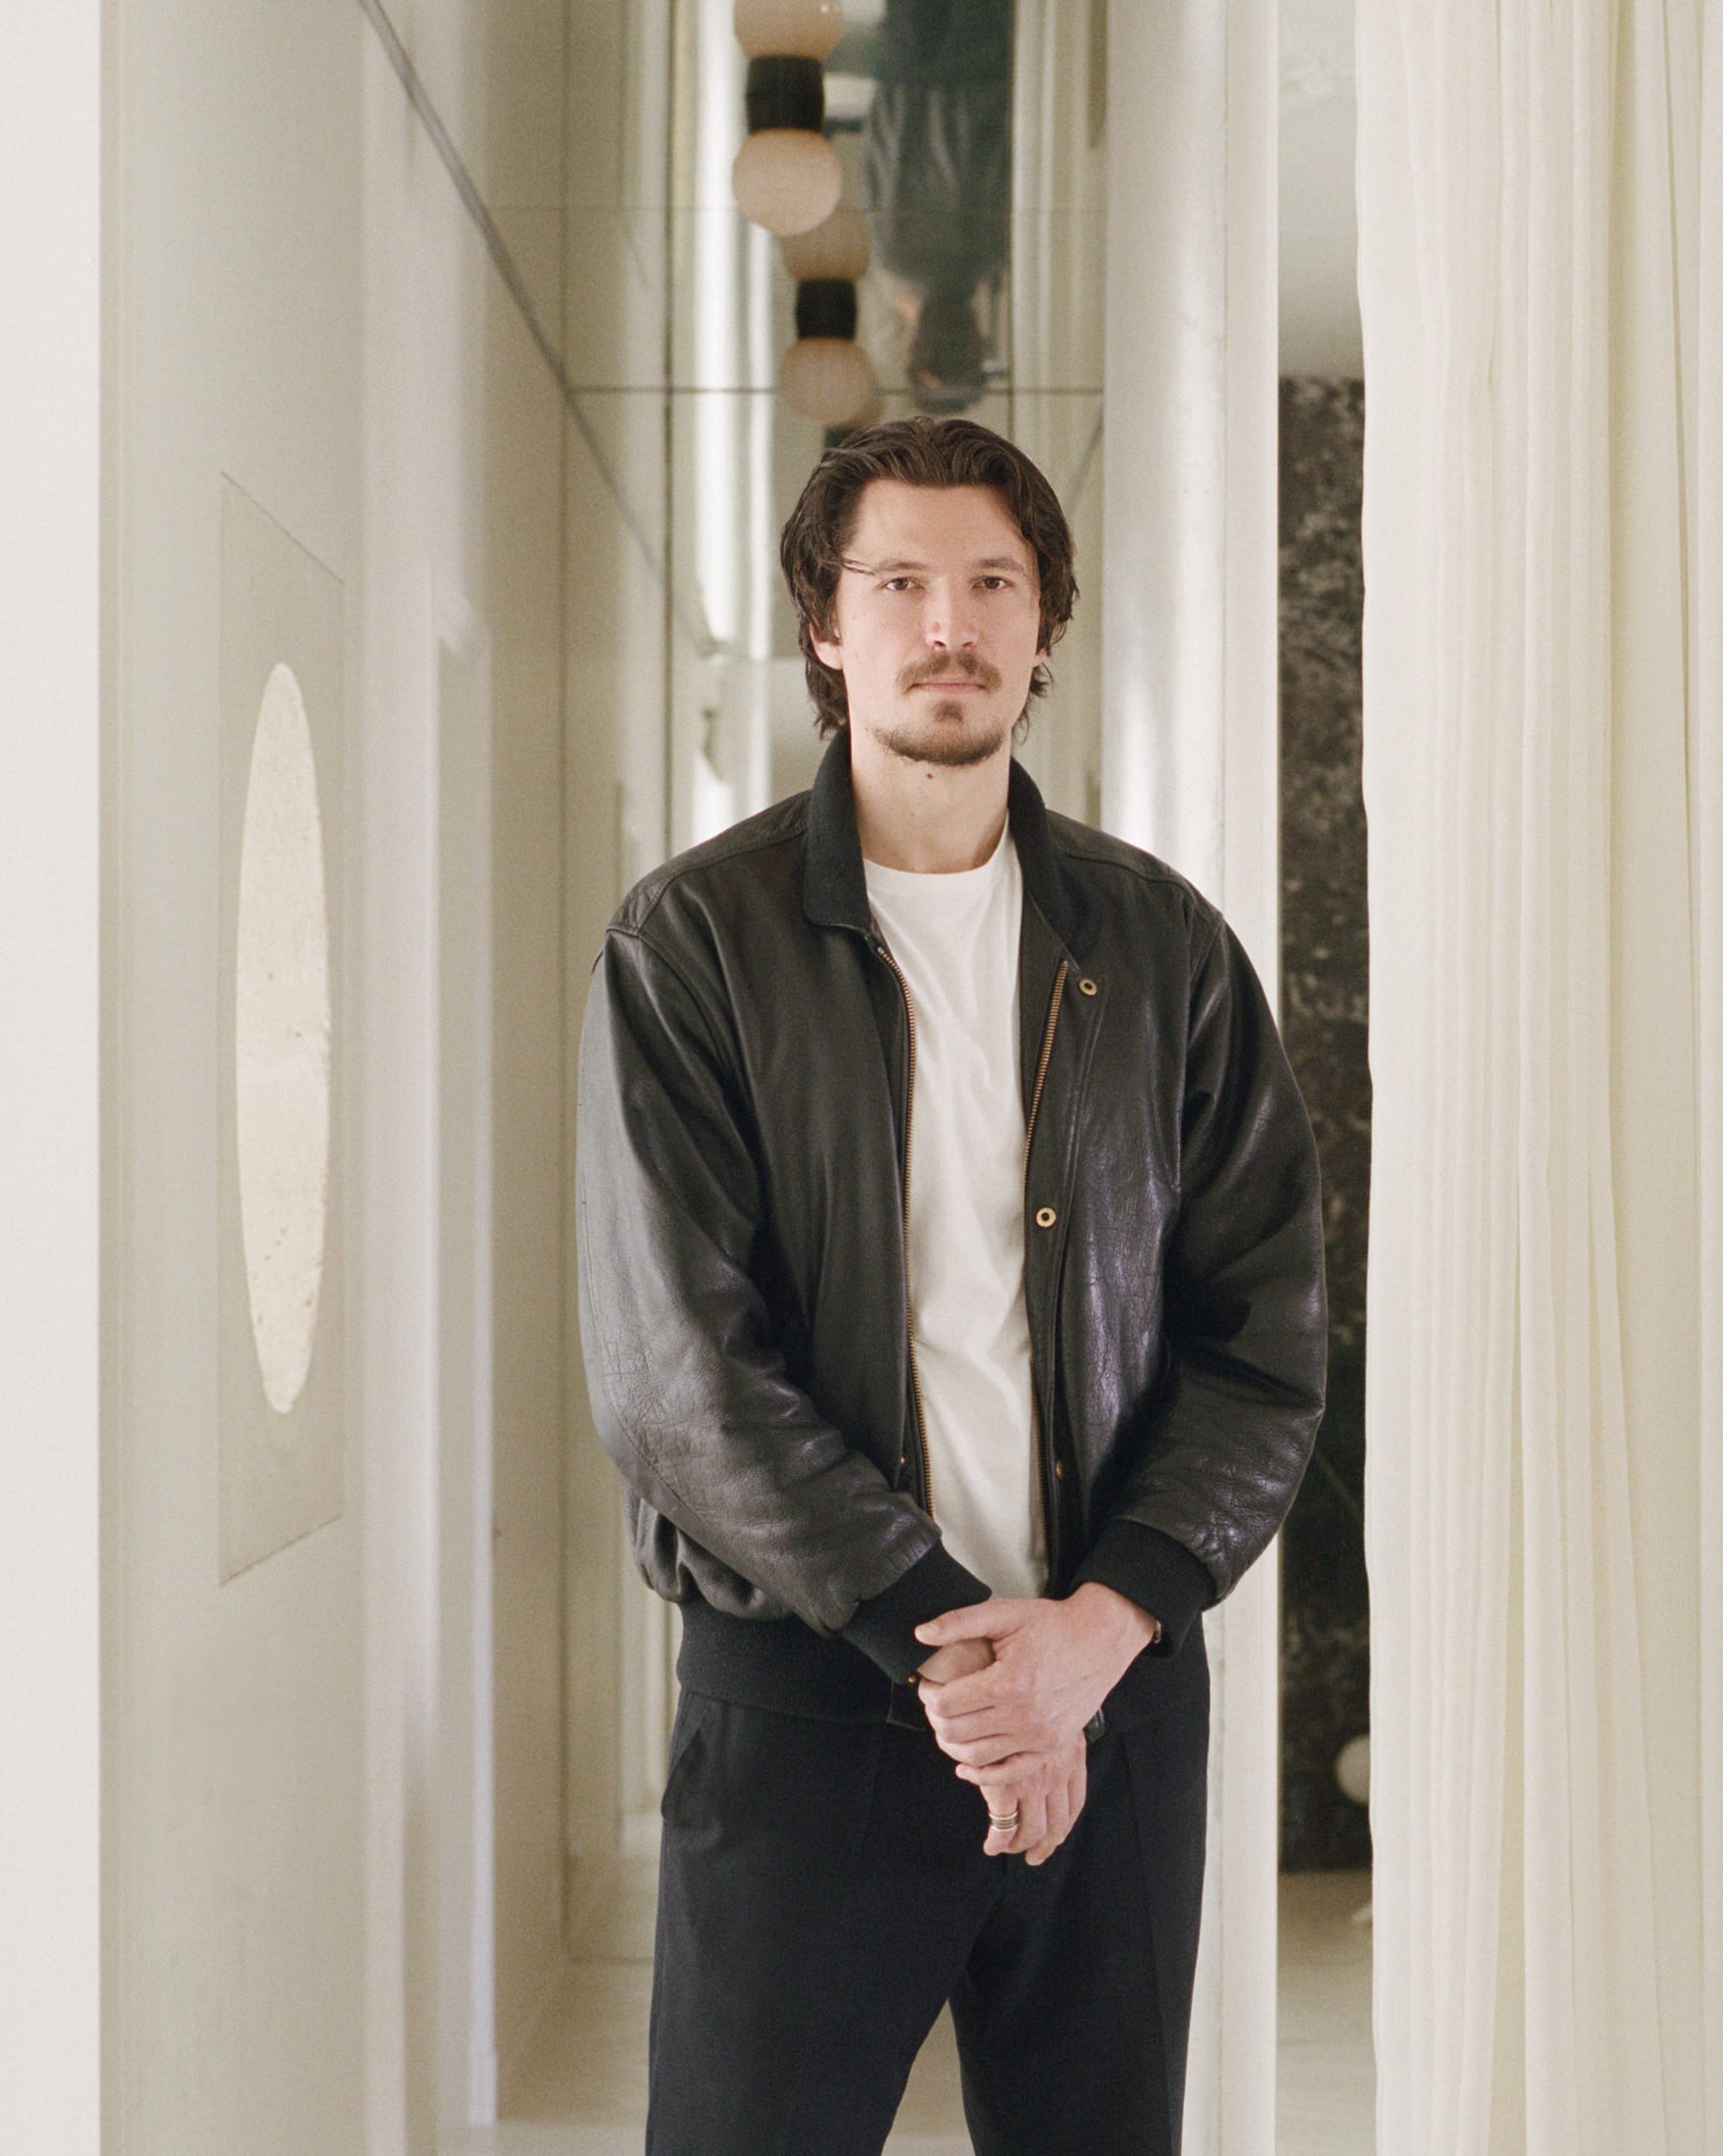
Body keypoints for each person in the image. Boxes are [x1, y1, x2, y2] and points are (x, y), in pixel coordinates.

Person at [574, 416, 1328, 2156]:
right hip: (809, 1702)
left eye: (992, 582)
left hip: (1110, 1696)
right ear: (824, 625)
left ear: (1042, 619)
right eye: (898, 581)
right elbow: (681, 1375)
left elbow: (1263, 1340)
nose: (947, 624)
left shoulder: (1162, 949)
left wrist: (1096, 1634)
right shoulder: (694, 946)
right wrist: (968, 1660)